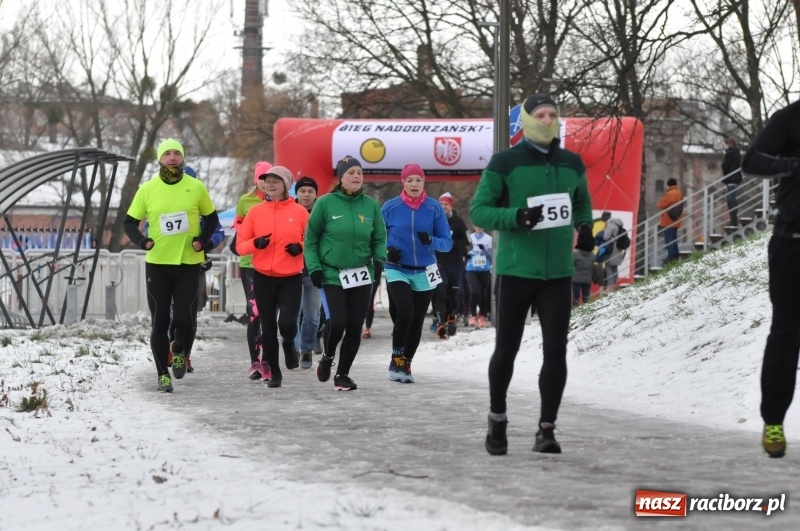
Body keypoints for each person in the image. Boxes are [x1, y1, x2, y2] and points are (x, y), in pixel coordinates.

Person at [471, 94, 593, 455]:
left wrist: (585, 226)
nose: (547, 120)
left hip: (557, 273)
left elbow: (581, 201)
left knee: (556, 350)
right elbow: (479, 211)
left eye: (553, 114)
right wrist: (516, 217)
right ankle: (497, 419)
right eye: (540, 114)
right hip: (515, 271)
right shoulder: (505, 162)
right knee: (506, 349)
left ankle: (547, 429)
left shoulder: (571, 163)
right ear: (526, 120)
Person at [123, 138, 219, 393]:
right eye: (167, 153)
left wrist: (202, 240)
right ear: (160, 158)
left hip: (188, 263)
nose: (172, 157)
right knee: (160, 320)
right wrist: (142, 241)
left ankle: (178, 350)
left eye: (177, 152)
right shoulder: (148, 189)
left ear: (183, 157)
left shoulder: (196, 187)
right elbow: (128, 222)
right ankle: (162, 375)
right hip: (158, 264)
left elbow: (212, 219)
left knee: (185, 318)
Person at [740, 99, 800, 458]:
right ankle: (773, 420)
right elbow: (751, 161)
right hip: (793, 242)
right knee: (787, 334)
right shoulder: (791, 118)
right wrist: (793, 166)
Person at [304, 155, 387, 391]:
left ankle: (342, 374)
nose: (356, 176)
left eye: (359, 172)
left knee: (354, 326)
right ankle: (328, 356)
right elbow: (311, 240)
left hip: (362, 273)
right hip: (332, 273)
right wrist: (315, 268)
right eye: (351, 172)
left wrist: (379, 259)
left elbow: (379, 238)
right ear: (341, 178)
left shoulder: (371, 205)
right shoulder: (325, 203)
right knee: (338, 322)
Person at [235, 166, 309, 388]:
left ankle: (289, 343)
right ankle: (275, 372)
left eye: (275, 181)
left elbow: (314, 240)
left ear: (286, 185)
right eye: (267, 181)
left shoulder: (299, 212)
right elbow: (240, 245)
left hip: (291, 278)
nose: (270, 184)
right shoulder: (255, 212)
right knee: (267, 327)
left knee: (287, 324)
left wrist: (300, 247)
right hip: (263, 277)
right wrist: (255, 244)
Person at [381, 163, 452, 383]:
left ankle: (406, 362)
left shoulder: (434, 208)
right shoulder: (390, 207)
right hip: (396, 268)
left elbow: (447, 243)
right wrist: (386, 250)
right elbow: (375, 237)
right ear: (403, 182)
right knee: (405, 312)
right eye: (409, 180)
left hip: (425, 270)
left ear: (423, 182)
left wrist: (431, 241)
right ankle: (396, 359)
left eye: (418, 180)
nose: (414, 184)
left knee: (417, 319)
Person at [165, 165, 226, 373]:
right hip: (167, 265)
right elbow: (150, 229)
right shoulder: (164, 203)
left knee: (190, 312)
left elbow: (218, 231)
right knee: (170, 312)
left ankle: (185, 354)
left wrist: (206, 242)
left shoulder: (202, 206)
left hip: (195, 266)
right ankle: (170, 350)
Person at [230, 161, 273, 382]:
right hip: (250, 263)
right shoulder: (245, 201)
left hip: (274, 263)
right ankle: (255, 362)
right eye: (262, 178)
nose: (266, 183)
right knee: (254, 311)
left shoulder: (282, 200)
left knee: (269, 314)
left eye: (269, 178)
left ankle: (268, 360)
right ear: (256, 180)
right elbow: (238, 227)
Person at [292, 175, 322, 369]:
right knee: (292, 315)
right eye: (302, 191)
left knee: (312, 316)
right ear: (297, 193)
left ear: (316, 194)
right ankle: (294, 350)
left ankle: (306, 349)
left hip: (314, 271)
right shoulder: (289, 210)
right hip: (291, 271)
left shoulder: (322, 212)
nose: (306, 194)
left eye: (310, 191)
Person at [431, 192, 469, 338]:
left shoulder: (458, 221)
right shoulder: (434, 220)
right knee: (439, 291)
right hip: (439, 263)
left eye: (445, 204)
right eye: (440, 204)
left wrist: (453, 243)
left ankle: (452, 317)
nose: (443, 206)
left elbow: (467, 241)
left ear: (450, 205)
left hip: (456, 263)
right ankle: (441, 323)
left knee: (455, 294)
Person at [465, 226, 492, 327]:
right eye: (477, 225)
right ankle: (473, 315)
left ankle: (483, 315)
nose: (479, 227)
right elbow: (464, 250)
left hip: (484, 269)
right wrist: (466, 255)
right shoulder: (470, 237)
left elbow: (491, 255)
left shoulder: (488, 238)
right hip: (471, 268)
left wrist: (484, 250)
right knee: (474, 291)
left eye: (481, 225)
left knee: (483, 293)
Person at [657, 178, 683, 264]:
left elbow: (661, 205)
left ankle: (671, 256)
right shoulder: (679, 192)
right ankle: (675, 255)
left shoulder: (670, 193)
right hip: (676, 219)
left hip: (669, 220)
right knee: (674, 238)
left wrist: (661, 200)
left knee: (669, 238)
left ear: (669, 185)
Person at [599, 215, 625, 292]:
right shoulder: (618, 224)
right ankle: (614, 284)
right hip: (617, 248)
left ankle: (610, 286)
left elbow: (605, 237)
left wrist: (603, 232)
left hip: (611, 248)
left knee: (608, 266)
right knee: (614, 267)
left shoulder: (610, 225)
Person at [721, 137, 743, 227]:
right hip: (734, 178)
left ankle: (734, 220)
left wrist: (726, 153)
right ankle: (733, 220)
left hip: (732, 178)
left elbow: (725, 166)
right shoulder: (735, 153)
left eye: (724, 145)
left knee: (731, 199)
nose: (723, 146)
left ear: (728, 145)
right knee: (730, 198)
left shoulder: (730, 154)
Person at [572, 230, 595, 305]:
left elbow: (571, 264)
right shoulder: (592, 255)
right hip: (587, 279)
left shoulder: (575, 254)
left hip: (576, 278)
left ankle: (576, 309)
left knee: (576, 298)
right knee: (586, 297)